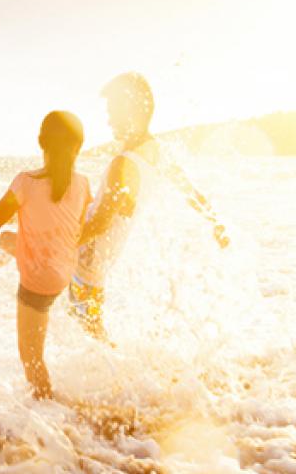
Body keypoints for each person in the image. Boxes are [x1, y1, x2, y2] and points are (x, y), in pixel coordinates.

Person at [70, 72, 229, 342]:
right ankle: (119, 376)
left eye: (113, 111)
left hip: (88, 261)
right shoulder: (158, 154)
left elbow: (102, 221)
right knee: (92, 329)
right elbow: (190, 193)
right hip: (102, 261)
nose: (109, 120)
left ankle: (120, 379)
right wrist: (214, 222)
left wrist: (64, 243)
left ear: (131, 110)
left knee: (90, 330)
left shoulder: (124, 163)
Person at [0, 111, 91, 400]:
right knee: (8, 240)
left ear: (40, 142)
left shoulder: (25, 181)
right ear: (78, 147)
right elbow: (76, 223)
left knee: (30, 356)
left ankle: (47, 404)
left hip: (37, 280)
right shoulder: (82, 183)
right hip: (63, 271)